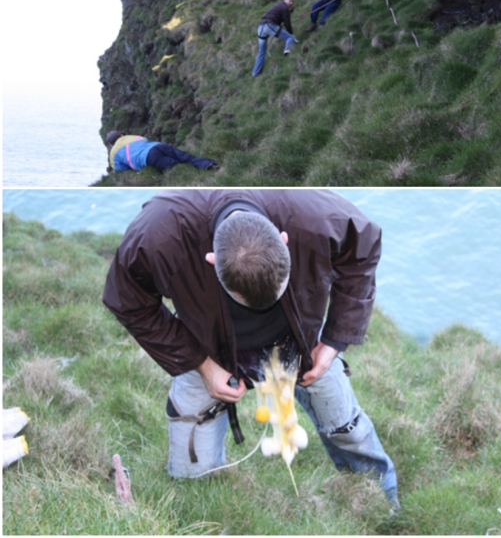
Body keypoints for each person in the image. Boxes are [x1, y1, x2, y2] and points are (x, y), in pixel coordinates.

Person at [103, 189, 399, 508]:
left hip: (303, 345)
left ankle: (384, 508)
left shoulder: (314, 214)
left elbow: (362, 248)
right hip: (209, 350)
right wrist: (202, 364)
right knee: (190, 476)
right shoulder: (158, 236)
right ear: (212, 262)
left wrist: (334, 341)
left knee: (349, 431)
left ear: (285, 240)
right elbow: (128, 301)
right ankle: (202, 520)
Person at [105, 131, 219, 172]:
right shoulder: (134, 137)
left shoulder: (114, 152)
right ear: (121, 135)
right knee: (186, 158)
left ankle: (197, 176)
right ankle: (208, 165)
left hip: (149, 157)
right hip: (159, 146)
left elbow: (119, 168)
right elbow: (145, 140)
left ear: (111, 145)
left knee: (176, 168)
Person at [252, 0, 297, 77]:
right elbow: (287, 23)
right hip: (269, 25)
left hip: (260, 27)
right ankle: (287, 50)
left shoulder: (276, 6)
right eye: (290, 1)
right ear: (285, 0)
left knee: (261, 52)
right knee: (290, 38)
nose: (291, 3)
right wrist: (291, 34)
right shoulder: (285, 8)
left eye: (292, 2)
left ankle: (255, 73)